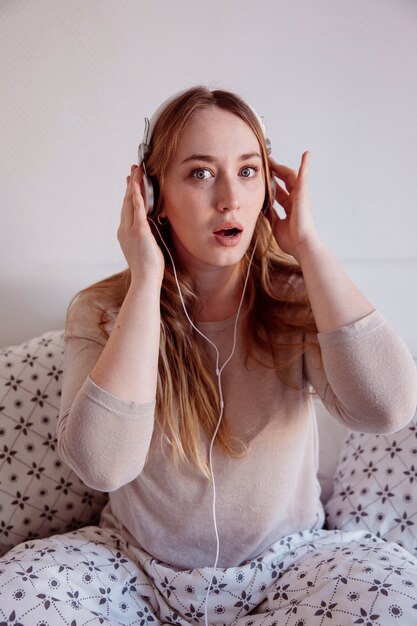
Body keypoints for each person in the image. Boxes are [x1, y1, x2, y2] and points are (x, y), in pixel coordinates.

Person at [1, 85, 417, 625]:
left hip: (290, 566)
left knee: (397, 601)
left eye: (248, 171)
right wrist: (146, 278)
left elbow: (388, 409)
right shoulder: (103, 310)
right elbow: (102, 466)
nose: (230, 198)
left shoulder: (298, 296)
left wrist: (309, 246)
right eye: (200, 173)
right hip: (137, 571)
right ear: (152, 195)